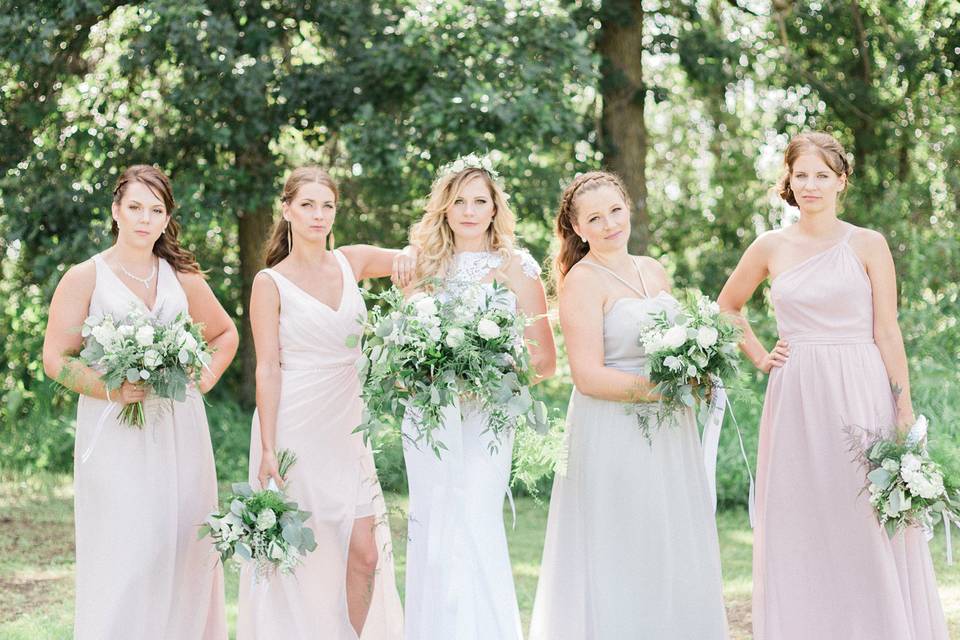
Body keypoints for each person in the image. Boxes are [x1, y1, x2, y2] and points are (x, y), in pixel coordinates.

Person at [717, 131, 948, 639]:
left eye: (822, 175)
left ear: (841, 181)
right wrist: (759, 356)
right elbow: (728, 306)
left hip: (861, 389)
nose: (811, 185)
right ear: (789, 181)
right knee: (803, 514)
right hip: (797, 394)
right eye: (801, 175)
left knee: (864, 514)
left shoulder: (867, 243)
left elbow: (887, 329)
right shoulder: (770, 246)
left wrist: (903, 411)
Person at [529, 171, 728, 640]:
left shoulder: (653, 268)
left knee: (668, 539)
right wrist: (666, 389)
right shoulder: (581, 282)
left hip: (670, 430)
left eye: (615, 211)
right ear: (577, 229)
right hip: (613, 430)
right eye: (594, 218)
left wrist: (696, 370)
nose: (609, 224)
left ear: (628, 208)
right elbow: (588, 376)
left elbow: (672, 344)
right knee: (625, 541)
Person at [42, 164, 237, 639]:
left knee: (179, 547)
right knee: (130, 550)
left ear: (167, 218)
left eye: (156, 210)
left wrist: (201, 379)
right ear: (116, 211)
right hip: (116, 433)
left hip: (179, 429)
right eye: (135, 207)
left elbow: (226, 332)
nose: (145, 219)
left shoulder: (181, 278)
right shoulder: (85, 277)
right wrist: (110, 388)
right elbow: (55, 358)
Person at [237, 166, 409, 640]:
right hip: (294, 426)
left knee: (366, 554)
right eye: (307, 205)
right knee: (304, 557)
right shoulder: (269, 283)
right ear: (287, 209)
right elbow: (267, 367)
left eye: (327, 205)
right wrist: (269, 448)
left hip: (348, 425)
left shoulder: (350, 262)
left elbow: (418, 258)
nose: (318, 215)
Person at [400, 156, 556, 640]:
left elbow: (544, 361)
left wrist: (489, 381)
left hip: (488, 415)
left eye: (479, 201)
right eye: (459, 201)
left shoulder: (518, 266)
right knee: (434, 522)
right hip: (428, 415)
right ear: (445, 209)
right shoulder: (421, 265)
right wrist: (430, 377)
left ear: (494, 209)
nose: (469, 210)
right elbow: (403, 354)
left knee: (475, 517)